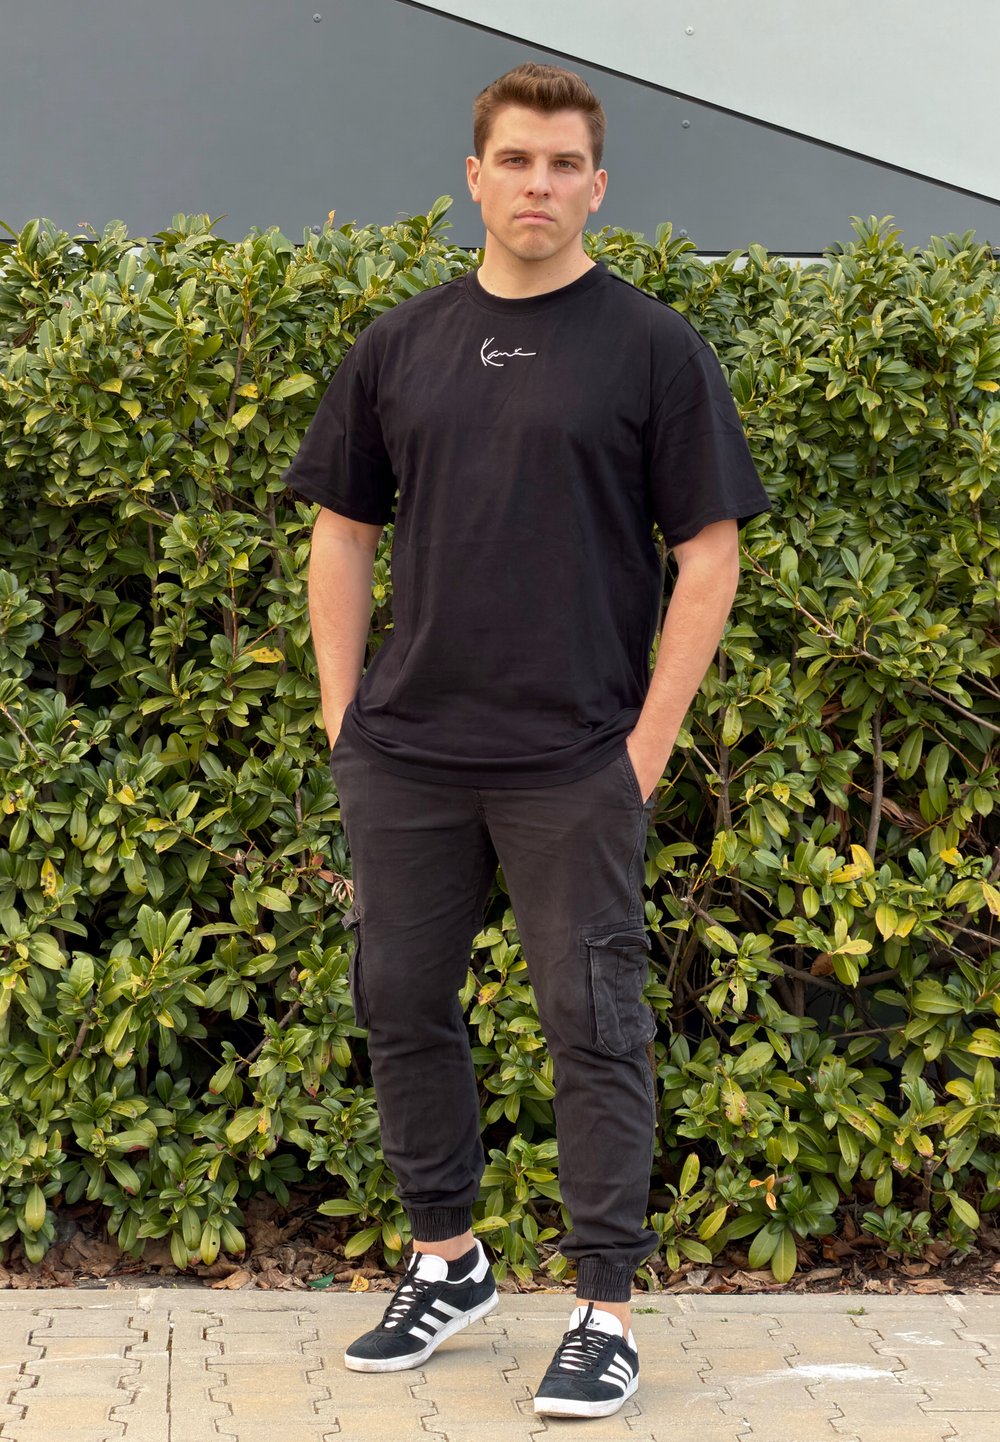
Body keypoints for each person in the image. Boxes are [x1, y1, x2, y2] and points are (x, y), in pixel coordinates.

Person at [283, 62, 769, 1420]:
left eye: (564, 165)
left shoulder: (654, 348)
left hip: (574, 757)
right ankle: (448, 1261)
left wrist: (645, 748)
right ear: (475, 176)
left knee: (591, 1021)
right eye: (516, 160)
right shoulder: (402, 344)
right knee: (399, 1002)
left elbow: (711, 555)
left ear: (597, 186)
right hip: (409, 751)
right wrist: (343, 716)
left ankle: (605, 1309)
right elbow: (340, 531)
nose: (539, 185)